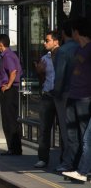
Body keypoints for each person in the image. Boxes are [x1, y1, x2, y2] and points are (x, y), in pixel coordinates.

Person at [58, 16, 91, 175]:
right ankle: (73, 164)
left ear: (77, 32)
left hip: (85, 98)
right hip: (74, 94)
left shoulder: (90, 49)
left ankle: (84, 168)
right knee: (72, 133)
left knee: (84, 134)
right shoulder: (79, 49)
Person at [53, 20, 79, 172]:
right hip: (82, 93)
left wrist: (56, 93)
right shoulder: (82, 48)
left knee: (67, 130)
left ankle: (69, 162)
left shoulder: (63, 51)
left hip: (66, 93)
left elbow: (60, 76)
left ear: (63, 33)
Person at [34, 31, 60, 168]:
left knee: (63, 129)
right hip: (47, 96)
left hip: (60, 97)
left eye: (47, 40)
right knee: (44, 128)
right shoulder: (44, 58)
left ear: (56, 41)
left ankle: (65, 159)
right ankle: (43, 158)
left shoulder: (62, 56)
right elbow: (41, 78)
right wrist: (39, 71)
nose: (45, 43)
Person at [0, 34, 23, 156]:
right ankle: (13, 148)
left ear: (1, 44)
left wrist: (8, 85)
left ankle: (13, 148)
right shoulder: (9, 55)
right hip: (11, 90)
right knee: (11, 119)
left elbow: (13, 71)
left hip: (9, 91)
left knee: (9, 120)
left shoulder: (7, 56)